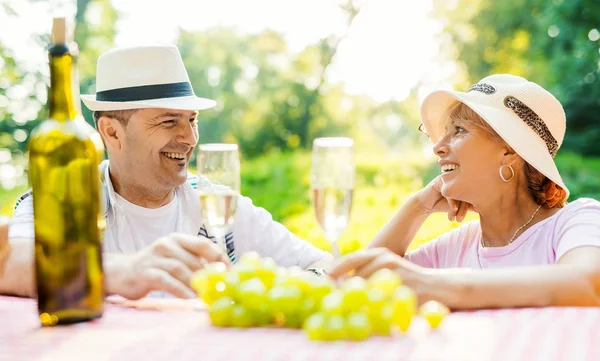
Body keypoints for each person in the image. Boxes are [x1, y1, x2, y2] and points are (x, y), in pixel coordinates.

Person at [2, 45, 331, 299]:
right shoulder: (61, 200)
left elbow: (322, 266)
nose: (189, 138)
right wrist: (122, 271)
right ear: (111, 132)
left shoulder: (215, 202)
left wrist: (278, 289)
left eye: (192, 120)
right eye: (169, 120)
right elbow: (10, 263)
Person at [330, 74, 600, 309]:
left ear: (509, 151)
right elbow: (360, 283)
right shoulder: (459, 245)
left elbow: (587, 284)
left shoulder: (577, 220)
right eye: (443, 133)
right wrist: (416, 208)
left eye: (458, 130)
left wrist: (444, 286)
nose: (438, 147)